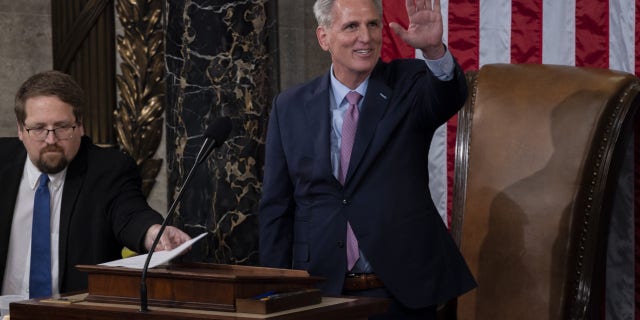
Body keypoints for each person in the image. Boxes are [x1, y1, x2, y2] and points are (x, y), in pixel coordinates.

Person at [259, 0, 476, 318]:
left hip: (401, 293)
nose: (366, 37)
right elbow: (277, 208)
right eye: (351, 26)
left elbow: (448, 95)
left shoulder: (408, 82)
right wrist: (273, 292)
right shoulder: (288, 107)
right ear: (324, 38)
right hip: (320, 290)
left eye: (373, 24)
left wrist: (434, 51)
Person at [0, 70, 191, 298]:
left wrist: (152, 232)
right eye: (39, 128)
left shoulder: (108, 170)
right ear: (21, 130)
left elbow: (129, 213)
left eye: (62, 127)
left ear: (80, 126)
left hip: (74, 314)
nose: (51, 140)